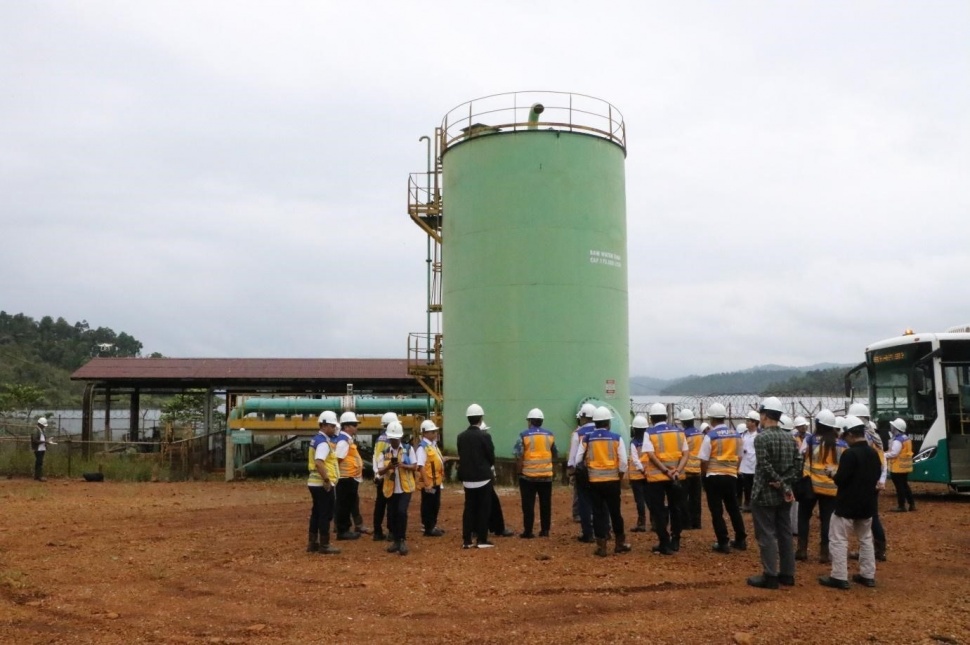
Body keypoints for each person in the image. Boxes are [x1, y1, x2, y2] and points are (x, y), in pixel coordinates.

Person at [819, 416, 882, 590]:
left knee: (838, 539)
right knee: (866, 539)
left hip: (846, 504)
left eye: (845, 435)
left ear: (851, 434)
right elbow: (876, 475)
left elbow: (841, 480)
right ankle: (868, 575)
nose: (844, 439)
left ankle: (839, 576)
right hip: (867, 503)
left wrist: (831, 473)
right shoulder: (873, 453)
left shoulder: (850, 454)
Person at [747, 397, 800, 590]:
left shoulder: (761, 438)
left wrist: (778, 481)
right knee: (785, 533)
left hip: (764, 492)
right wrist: (785, 484)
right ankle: (788, 574)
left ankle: (770, 575)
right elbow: (798, 465)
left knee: (767, 534)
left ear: (766, 415)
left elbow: (764, 465)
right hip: (784, 494)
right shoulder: (790, 437)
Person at [575, 406, 630, 556]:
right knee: (615, 513)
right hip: (612, 481)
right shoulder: (616, 438)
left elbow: (578, 459)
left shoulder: (587, 439)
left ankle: (601, 546)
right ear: (608, 423)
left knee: (598, 513)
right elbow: (624, 462)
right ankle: (619, 543)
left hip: (594, 482)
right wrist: (619, 477)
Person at [796, 409, 846, 564]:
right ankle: (824, 553)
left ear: (818, 424)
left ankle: (802, 550)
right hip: (831, 487)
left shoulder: (811, 440)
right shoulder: (842, 444)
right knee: (827, 520)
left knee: (803, 517)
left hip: (811, 485)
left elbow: (802, 454)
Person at [698, 403, 746, 554]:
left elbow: (704, 459)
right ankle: (741, 539)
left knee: (717, 511)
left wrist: (705, 476)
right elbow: (739, 456)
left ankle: (723, 542)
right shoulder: (736, 435)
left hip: (713, 476)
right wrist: (734, 470)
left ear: (711, 419)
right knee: (733, 508)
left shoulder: (710, 436)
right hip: (731, 476)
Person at [641, 403, 688, 555]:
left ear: (651, 418)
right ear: (666, 417)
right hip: (675, 477)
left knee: (658, 510)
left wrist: (664, 470)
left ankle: (664, 542)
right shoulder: (679, 432)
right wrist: (676, 471)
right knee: (676, 508)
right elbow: (685, 454)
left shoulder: (650, 433)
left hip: (657, 478)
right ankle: (676, 539)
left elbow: (650, 454)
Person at [847, 402, 888, 562]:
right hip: (874, 478)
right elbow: (882, 459)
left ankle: (874, 550)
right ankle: (878, 549)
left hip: (866, 479)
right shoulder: (873, 434)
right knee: (871, 515)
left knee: (866, 517)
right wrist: (882, 479)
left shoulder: (864, 437)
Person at [375, 421, 417, 555]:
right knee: (392, 514)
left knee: (401, 512)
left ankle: (402, 540)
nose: (394, 441)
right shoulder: (384, 452)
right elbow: (379, 471)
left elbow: (415, 466)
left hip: (405, 488)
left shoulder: (408, 449)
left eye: (396, 439)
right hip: (390, 488)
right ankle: (396, 541)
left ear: (400, 438)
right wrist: (389, 467)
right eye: (392, 439)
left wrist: (403, 465)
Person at [514, 408, 557, 538]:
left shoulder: (523, 435)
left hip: (528, 477)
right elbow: (555, 452)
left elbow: (518, 454)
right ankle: (545, 530)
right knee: (545, 504)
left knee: (528, 505)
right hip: (546, 476)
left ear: (530, 421)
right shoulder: (550, 435)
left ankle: (528, 531)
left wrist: (519, 471)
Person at [457, 403, 495, 549]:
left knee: (469, 508)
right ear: (481, 418)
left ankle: (466, 540)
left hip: (467, 478)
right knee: (483, 509)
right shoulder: (485, 436)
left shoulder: (461, 437)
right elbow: (491, 456)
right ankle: (482, 539)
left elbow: (461, 454)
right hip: (483, 477)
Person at [306, 411, 341, 555]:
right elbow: (319, 463)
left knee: (316, 512)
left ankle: (312, 542)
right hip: (322, 484)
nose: (334, 429)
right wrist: (327, 480)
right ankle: (324, 544)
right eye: (332, 426)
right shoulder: (323, 443)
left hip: (314, 483)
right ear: (325, 425)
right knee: (325, 514)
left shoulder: (316, 439)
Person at [334, 411, 367, 540]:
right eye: (354, 424)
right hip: (346, 478)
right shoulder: (343, 441)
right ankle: (343, 530)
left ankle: (343, 528)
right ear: (346, 426)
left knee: (347, 503)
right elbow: (338, 459)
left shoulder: (346, 439)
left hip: (350, 477)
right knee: (344, 504)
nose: (356, 427)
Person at [567, 403, 597, 543]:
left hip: (583, 471)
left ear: (583, 418)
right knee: (600, 502)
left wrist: (571, 471)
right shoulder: (601, 430)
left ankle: (588, 533)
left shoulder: (578, 433)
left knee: (583, 501)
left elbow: (574, 456)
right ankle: (604, 531)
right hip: (600, 470)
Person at [415, 419, 445, 537]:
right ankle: (428, 527)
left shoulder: (432, 446)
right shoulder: (423, 448)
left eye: (435, 431)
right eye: (432, 431)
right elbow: (421, 466)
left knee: (435, 504)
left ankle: (432, 525)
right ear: (426, 433)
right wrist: (427, 484)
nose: (435, 433)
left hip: (435, 481)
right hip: (429, 483)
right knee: (429, 504)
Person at [372, 412, 398, 541]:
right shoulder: (391, 439)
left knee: (380, 504)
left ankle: (377, 531)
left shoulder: (379, 439)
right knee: (391, 504)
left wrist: (376, 473)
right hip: (388, 475)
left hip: (380, 474)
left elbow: (375, 458)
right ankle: (392, 531)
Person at [679, 409, 704, 530]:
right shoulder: (700, 433)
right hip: (697, 469)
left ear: (683, 422)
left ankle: (686, 523)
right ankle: (697, 522)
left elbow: (681, 451)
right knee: (696, 498)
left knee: (684, 497)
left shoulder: (683, 434)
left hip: (686, 470)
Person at [885, 418, 916, 512]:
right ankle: (912, 504)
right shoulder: (905, 438)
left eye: (893, 427)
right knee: (905, 485)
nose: (891, 428)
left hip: (897, 468)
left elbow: (894, 453)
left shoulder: (897, 440)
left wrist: (883, 455)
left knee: (900, 487)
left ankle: (901, 506)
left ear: (896, 428)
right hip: (905, 467)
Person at [627, 415, 649, 533]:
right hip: (649, 474)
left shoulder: (634, 442)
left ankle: (641, 523)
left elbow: (635, 460)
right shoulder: (649, 441)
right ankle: (655, 522)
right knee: (651, 499)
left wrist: (641, 469)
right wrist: (646, 471)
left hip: (637, 475)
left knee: (639, 500)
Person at [790, 416, 810, 532]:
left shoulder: (809, 437)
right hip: (797, 467)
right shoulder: (794, 438)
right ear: (797, 427)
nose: (805, 427)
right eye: (803, 425)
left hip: (805, 467)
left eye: (805, 425)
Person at [738, 411, 760, 511]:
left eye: (748, 420)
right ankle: (747, 504)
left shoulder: (759, 435)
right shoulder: (743, 435)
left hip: (755, 465)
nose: (746, 422)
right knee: (746, 486)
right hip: (745, 465)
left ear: (754, 422)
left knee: (755, 486)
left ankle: (755, 504)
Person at [30, 417, 56, 481]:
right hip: (38, 449)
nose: (44, 426)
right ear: (40, 424)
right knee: (39, 462)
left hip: (42, 448)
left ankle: (37, 476)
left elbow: (41, 439)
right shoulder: (36, 430)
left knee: (38, 462)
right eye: (43, 425)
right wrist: (45, 442)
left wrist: (46, 441)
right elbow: (35, 440)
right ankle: (40, 476)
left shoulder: (41, 430)